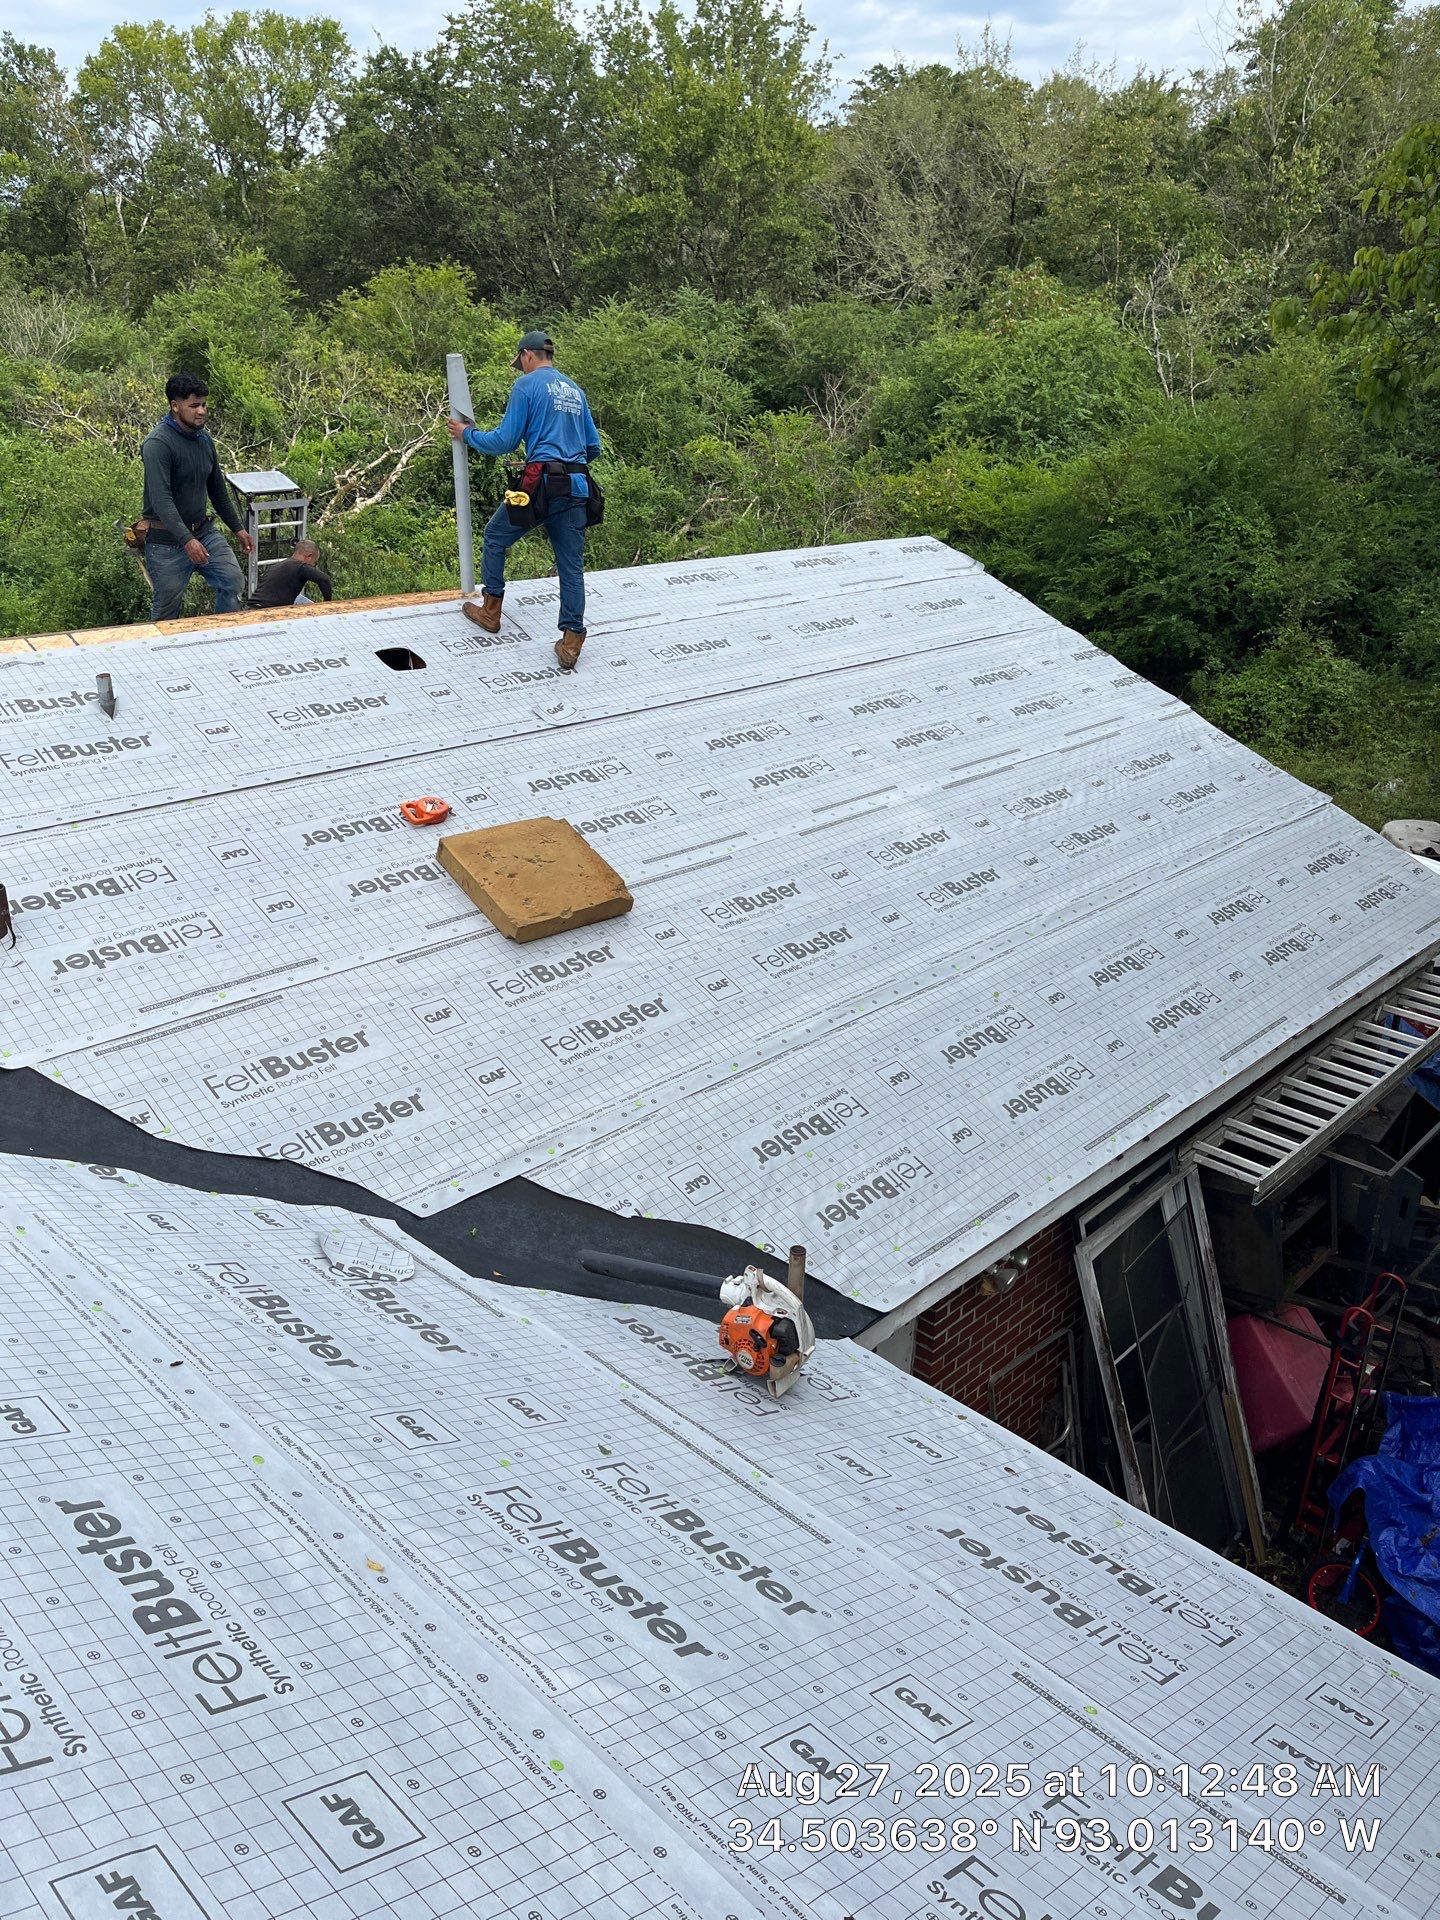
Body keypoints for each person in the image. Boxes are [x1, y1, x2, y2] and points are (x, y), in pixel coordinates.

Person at [446, 330, 601, 671]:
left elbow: (503, 440)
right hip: (576, 485)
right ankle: (571, 641)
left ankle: (491, 611)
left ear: (527, 356)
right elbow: (594, 449)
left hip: (541, 485)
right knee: (571, 565)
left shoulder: (527, 386)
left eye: (521, 363)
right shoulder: (575, 390)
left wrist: (466, 434)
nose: (521, 368)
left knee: (496, 536)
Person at [140, 373, 254, 622]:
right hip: (166, 542)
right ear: (175, 406)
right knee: (166, 609)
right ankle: (164, 656)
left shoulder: (204, 440)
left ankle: (222, 637)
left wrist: (237, 528)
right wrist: (187, 541)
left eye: (204, 405)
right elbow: (162, 501)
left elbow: (217, 490)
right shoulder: (158, 444)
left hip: (204, 533)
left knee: (233, 581)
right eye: (194, 406)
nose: (201, 411)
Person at [246, 539, 333, 610]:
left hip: (251, 608)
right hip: (268, 611)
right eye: (315, 563)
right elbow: (324, 579)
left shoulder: (275, 566)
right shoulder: (300, 567)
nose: (314, 566)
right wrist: (327, 604)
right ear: (309, 556)